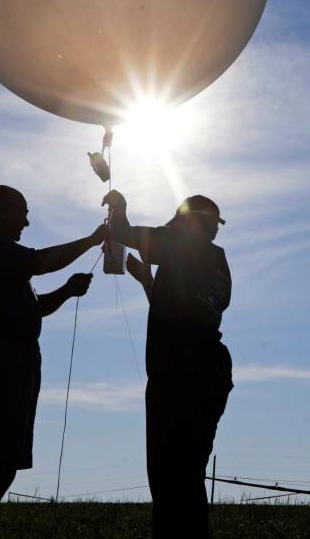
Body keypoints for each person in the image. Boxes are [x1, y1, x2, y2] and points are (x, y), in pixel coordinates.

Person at [0, 185, 106, 539]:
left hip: (11, 369)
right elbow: (39, 262)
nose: (27, 220)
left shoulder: (2, 257)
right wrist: (93, 239)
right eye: (21, 212)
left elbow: (34, 309)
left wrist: (67, 291)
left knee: (2, 467)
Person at [106, 189, 232, 539]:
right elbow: (182, 310)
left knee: (166, 478)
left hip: (178, 373)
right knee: (188, 474)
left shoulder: (181, 243)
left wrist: (119, 209)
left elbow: (124, 233)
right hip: (209, 371)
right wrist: (147, 281)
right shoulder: (217, 261)